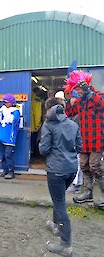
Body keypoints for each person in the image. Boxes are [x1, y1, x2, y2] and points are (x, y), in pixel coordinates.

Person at [39, 97, 82, 257]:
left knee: (59, 203)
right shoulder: (73, 124)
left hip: (56, 170)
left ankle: (66, 244)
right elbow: (79, 147)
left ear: (49, 109)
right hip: (71, 169)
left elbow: (44, 150)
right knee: (59, 199)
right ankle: (57, 226)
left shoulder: (48, 124)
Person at [64, 70, 104, 210]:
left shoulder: (98, 96)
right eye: (77, 90)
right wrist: (69, 100)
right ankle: (88, 193)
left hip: (97, 139)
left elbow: (101, 104)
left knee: (95, 166)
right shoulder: (79, 102)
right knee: (84, 166)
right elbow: (69, 113)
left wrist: (89, 93)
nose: (78, 92)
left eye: (79, 89)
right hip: (85, 141)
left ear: (86, 87)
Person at [55, 91, 83, 194]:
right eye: (71, 98)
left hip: (77, 140)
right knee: (74, 162)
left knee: (78, 163)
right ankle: (74, 184)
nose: (72, 100)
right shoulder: (70, 111)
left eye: (74, 98)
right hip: (71, 141)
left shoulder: (78, 112)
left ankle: (77, 185)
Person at [0, 94, 20, 179]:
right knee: (3, 155)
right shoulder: (3, 110)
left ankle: (11, 171)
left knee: (8, 155)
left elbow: (13, 120)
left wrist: (6, 111)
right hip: (2, 136)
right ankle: (5, 170)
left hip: (10, 137)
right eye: (4, 102)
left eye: (7, 102)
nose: (5, 104)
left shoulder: (16, 111)